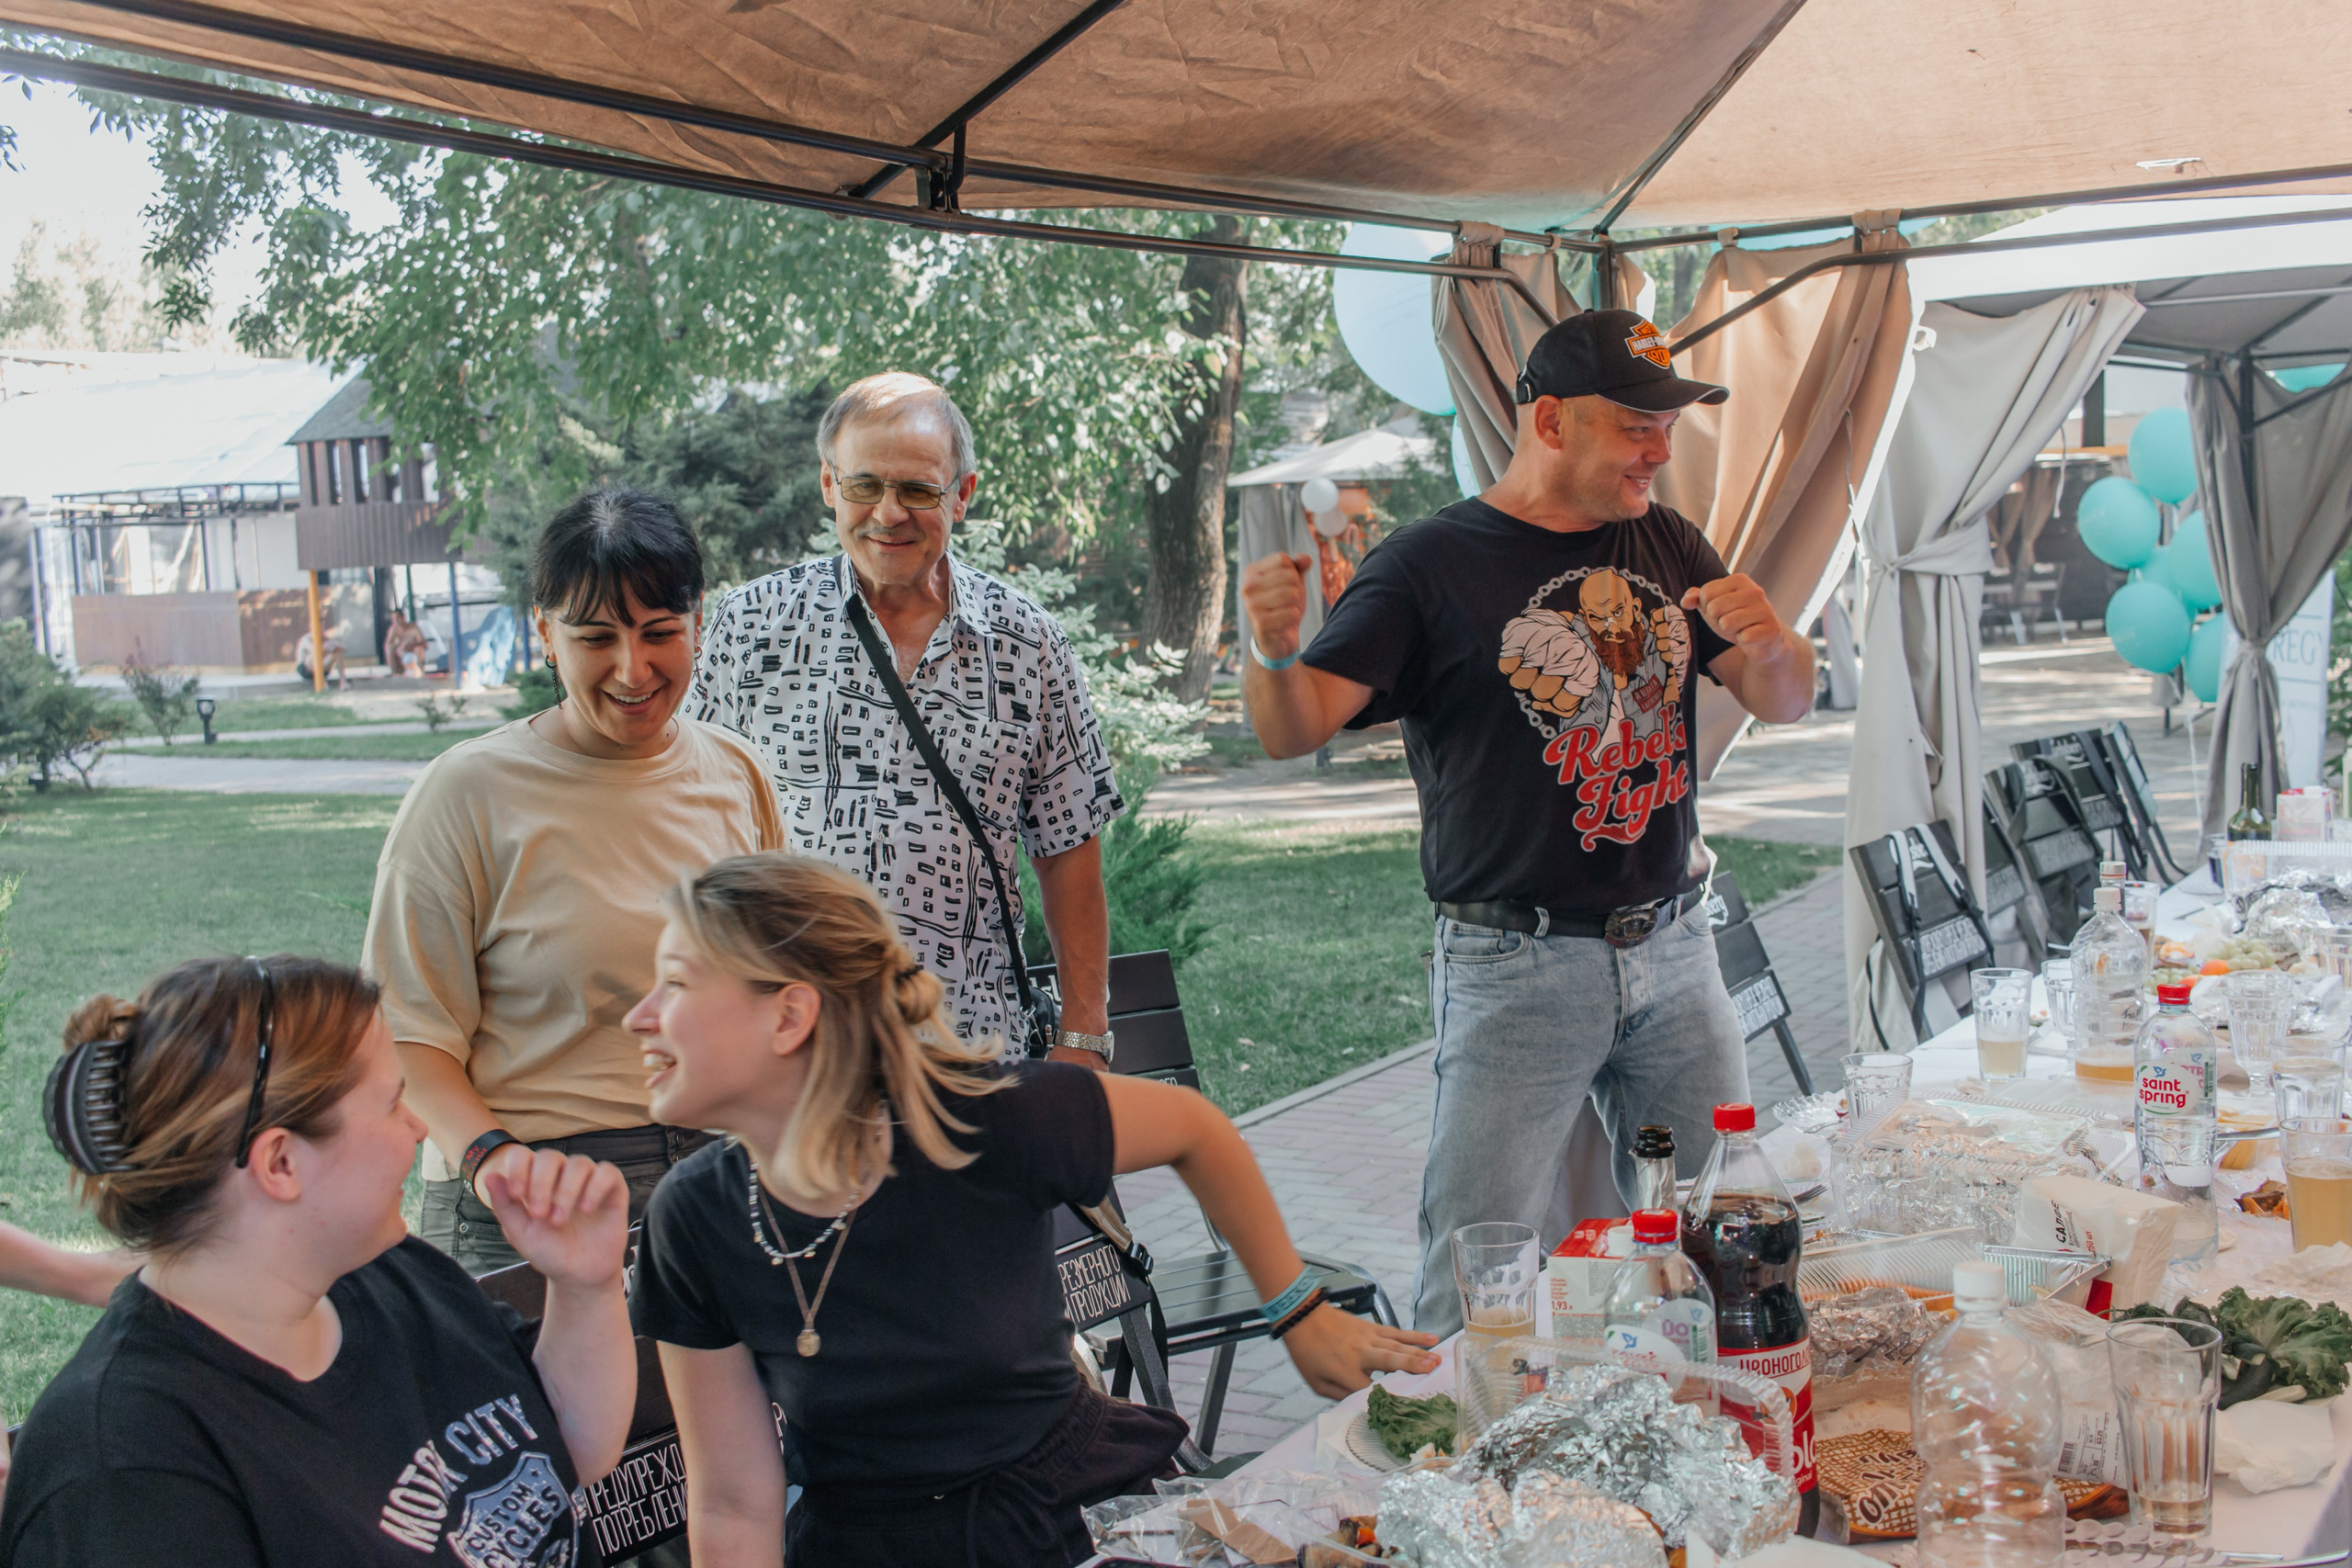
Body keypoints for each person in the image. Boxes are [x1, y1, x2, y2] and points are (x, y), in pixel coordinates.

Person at [1238, 309, 1816, 1334]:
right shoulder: (1427, 565)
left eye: (1666, 423)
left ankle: (1737, 1442)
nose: (1659, 446)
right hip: (1516, 967)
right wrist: (1274, 651)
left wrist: (1774, 644)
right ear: (1550, 420)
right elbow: (1296, 727)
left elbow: (1782, 698)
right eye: (1635, 423)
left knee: (1726, 1235)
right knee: (1478, 1267)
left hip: (1675, 948)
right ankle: (1451, 1475)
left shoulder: (1667, 540)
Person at [625, 853, 1439, 1566]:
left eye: (677, 981)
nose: (638, 1015)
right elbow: (732, 1502)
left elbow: (1198, 1128)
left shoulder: (988, 1120)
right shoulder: (690, 1220)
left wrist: (1296, 1309)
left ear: (789, 1015)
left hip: (1066, 1521)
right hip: (863, 1544)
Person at [0, 953, 635, 1564]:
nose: (417, 1127)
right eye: (391, 1102)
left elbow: (568, 1446)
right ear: (281, 1162)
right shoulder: (127, 1460)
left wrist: (584, 1284)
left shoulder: (390, 1273)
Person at [366, 489, 785, 1275]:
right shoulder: (464, 793)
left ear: (699, 624)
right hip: (530, 1197)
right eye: (597, 637)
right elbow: (406, 1034)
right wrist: (493, 1162)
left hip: (723, 1185)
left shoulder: (738, 773)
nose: (634, 669)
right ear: (545, 633)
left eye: (661, 633)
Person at [693, 373, 1123, 1070]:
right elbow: (688, 823)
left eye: (918, 490)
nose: (888, 513)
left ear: (963, 495)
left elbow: (1068, 846)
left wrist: (1083, 1039)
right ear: (829, 486)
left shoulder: (1029, 644)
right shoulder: (750, 628)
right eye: (864, 486)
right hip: (790, 1063)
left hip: (971, 1056)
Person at [293, 627, 348, 691]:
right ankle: (322, 681)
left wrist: (334, 646)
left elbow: (344, 648)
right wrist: (326, 648)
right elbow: (315, 651)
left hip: (322, 670)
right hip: (306, 670)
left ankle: (343, 681)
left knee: (337, 652)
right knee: (317, 652)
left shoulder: (326, 639)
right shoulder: (306, 639)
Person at [384, 607, 430, 678]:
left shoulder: (413, 628)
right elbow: (389, 644)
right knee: (389, 648)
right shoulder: (394, 629)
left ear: (403, 617)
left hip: (413, 652)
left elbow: (425, 644)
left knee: (419, 649)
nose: (395, 620)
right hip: (401, 653)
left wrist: (412, 645)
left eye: (397, 618)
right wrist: (399, 647)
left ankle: (421, 672)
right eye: (393, 618)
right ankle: (395, 672)